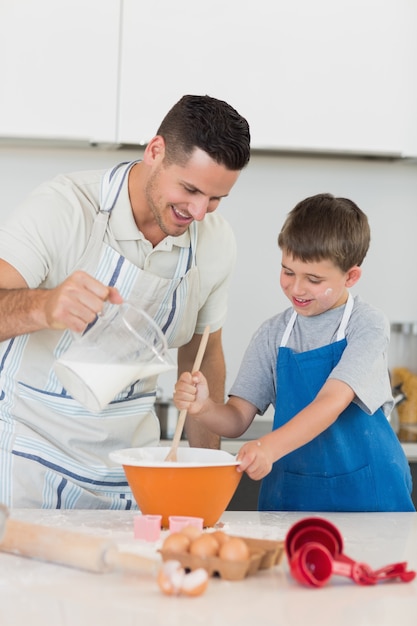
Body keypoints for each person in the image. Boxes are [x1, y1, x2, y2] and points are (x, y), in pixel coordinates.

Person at [0, 94, 251, 508]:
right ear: (155, 151)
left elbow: (202, 358)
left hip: (133, 475)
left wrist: (207, 479)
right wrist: (43, 306)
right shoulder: (65, 208)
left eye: (215, 199)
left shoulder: (215, 242)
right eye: (189, 189)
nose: (200, 212)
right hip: (28, 463)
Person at [174, 193, 415, 512]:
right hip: (293, 500)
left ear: (351, 276)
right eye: (288, 271)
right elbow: (236, 419)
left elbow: (331, 402)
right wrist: (204, 407)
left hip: (369, 498)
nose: (297, 288)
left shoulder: (367, 325)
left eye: (313, 279)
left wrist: (269, 447)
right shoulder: (272, 334)